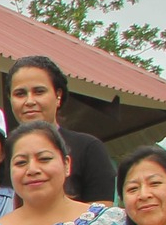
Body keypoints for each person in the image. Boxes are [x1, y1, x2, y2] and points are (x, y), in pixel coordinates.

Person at [9, 55, 116, 204]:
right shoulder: (2, 153)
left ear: (58, 95)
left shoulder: (88, 148)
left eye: (39, 91)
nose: (29, 101)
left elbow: (100, 218)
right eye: (20, 94)